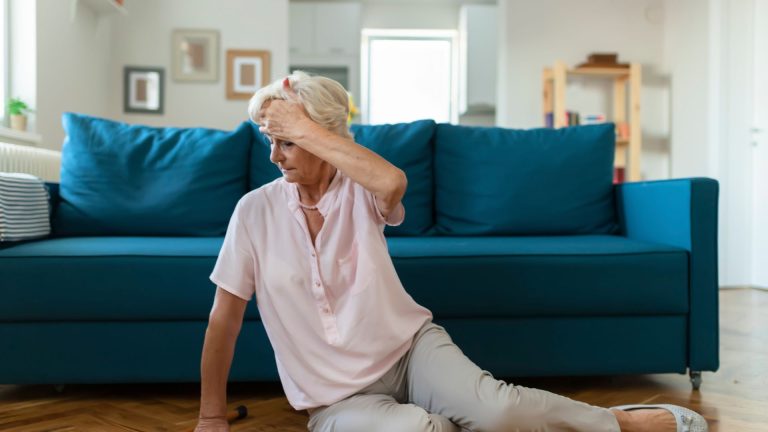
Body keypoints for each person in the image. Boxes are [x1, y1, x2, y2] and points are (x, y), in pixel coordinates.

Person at [194, 71, 708, 432]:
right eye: (271, 139)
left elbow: (391, 181)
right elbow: (224, 321)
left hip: (409, 351)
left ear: (323, 136)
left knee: (499, 413)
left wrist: (304, 127)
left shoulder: (359, 188)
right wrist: (210, 417)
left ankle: (622, 422)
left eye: (285, 141)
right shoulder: (254, 212)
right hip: (334, 398)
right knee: (423, 430)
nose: (273, 154)